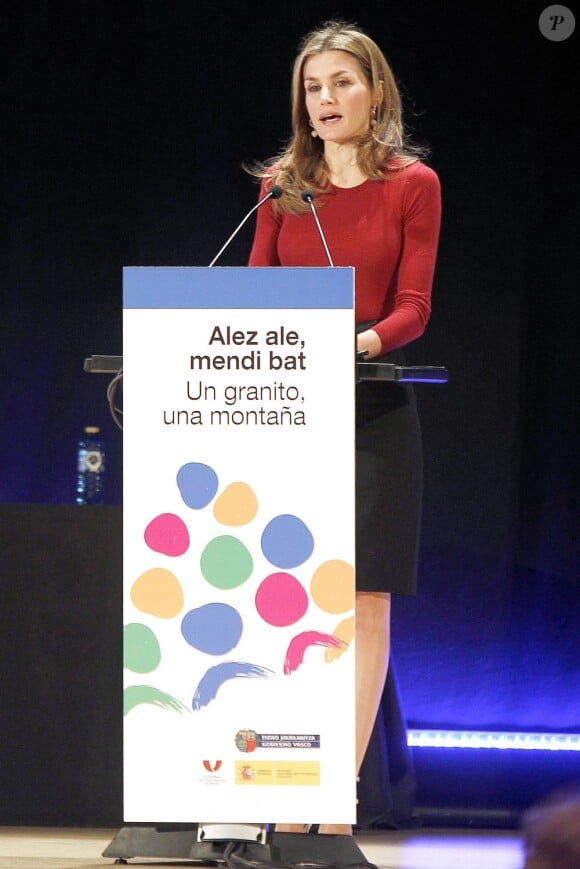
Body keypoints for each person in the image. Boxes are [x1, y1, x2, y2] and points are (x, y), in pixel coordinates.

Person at [247, 19, 441, 836]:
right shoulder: (279, 187)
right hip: (287, 412)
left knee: (362, 606)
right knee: (291, 606)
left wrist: (355, 341)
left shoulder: (413, 184)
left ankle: (334, 805)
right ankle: (278, 796)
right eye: (313, 87)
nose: (325, 100)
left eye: (341, 84)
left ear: (376, 92)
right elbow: (252, 296)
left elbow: (413, 308)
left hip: (370, 409)